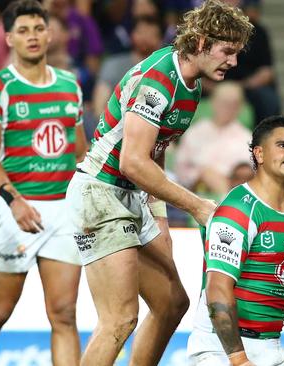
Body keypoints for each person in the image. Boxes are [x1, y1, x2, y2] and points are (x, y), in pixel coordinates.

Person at [64, 2, 253, 365]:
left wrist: (159, 215)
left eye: (237, 53)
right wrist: (197, 205)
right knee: (118, 320)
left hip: (131, 197)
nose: (233, 62)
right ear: (200, 41)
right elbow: (133, 161)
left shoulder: (193, 85)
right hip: (99, 193)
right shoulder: (159, 78)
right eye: (227, 51)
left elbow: (156, 150)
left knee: (171, 305)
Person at [187, 115, 284, 366]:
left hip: (271, 346)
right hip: (222, 349)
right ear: (259, 154)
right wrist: (239, 360)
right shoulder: (238, 209)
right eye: (283, 145)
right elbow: (218, 288)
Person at [0, 1, 87, 364]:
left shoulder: (69, 85)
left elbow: (80, 152)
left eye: (37, 28)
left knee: (64, 314)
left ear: (50, 34)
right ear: (9, 39)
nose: (32, 36)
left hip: (63, 214)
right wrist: (13, 200)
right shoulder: (0, 87)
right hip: (13, 210)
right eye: (23, 30)